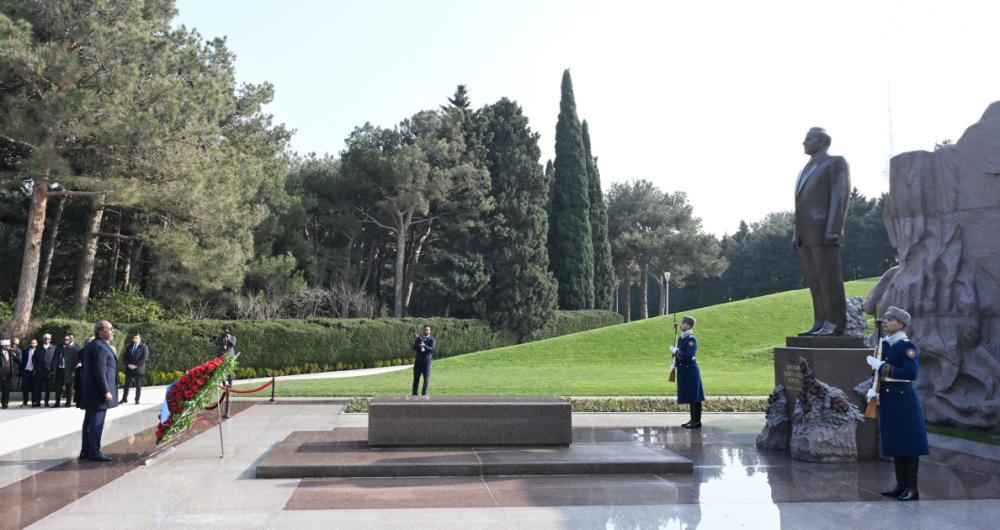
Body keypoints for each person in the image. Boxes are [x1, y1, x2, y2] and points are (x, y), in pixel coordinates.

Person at [865, 306, 928, 502]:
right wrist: (874, 389)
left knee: (909, 443)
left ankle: (912, 488)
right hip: (889, 398)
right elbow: (879, 374)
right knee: (896, 442)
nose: (885, 322)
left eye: (890, 320)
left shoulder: (906, 346)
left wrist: (882, 367)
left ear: (900, 324)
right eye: (885, 319)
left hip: (903, 399)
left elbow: (910, 373)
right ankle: (901, 485)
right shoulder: (886, 344)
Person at [792, 127, 850, 336]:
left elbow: (840, 196)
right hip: (805, 234)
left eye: (809, 138)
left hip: (824, 231)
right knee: (815, 281)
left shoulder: (835, 162)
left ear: (823, 141)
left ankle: (835, 323)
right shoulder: (805, 170)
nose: (804, 142)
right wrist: (796, 233)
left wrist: (834, 229)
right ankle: (820, 321)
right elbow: (800, 205)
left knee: (829, 280)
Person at [79, 320, 118, 462]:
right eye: (110, 328)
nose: (112, 331)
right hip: (98, 393)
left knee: (89, 422)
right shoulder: (100, 347)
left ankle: (86, 450)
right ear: (101, 331)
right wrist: (106, 391)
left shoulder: (94, 345)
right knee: (96, 423)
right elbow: (100, 372)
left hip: (92, 392)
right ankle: (94, 451)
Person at [671, 316, 705, 428]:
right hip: (684, 370)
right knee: (691, 395)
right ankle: (692, 420)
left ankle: (697, 421)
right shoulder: (682, 338)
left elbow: (689, 354)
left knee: (695, 396)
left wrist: (678, 352)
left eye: (683, 323)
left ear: (689, 325)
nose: (681, 325)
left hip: (690, 370)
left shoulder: (691, 339)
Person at [53, 334, 80, 407]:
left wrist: (74, 371)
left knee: (68, 388)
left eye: (67, 339)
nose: (66, 341)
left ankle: (68, 403)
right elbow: (55, 359)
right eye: (64, 339)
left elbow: (75, 361)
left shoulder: (73, 349)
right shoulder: (58, 348)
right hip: (60, 370)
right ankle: (57, 403)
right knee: (58, 388)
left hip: (69, 371)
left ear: (70, 340)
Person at [121, 334, 148, 405]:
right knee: (126, 385)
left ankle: (137, 399)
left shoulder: (144, 347)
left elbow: (144, 358)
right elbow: (125, 357)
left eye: (136, 338)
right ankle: (124, 398)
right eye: (134, 338)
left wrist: (136, 365)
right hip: (129, 368)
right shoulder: (129, 346)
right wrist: (128, 364)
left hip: (138, 369)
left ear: (140, 339)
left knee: (138, 386)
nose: (135, 339)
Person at [411, 325, 436, 398]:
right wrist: (419, 345)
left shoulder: (432, 339)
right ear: (423, 330)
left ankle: (424, 394)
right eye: (425, 329)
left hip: (426, 362)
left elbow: (432, 349)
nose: (426, 331)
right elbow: (413, 347)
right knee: (416, 379)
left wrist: (424, 345)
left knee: (426, 379)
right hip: (418, 362)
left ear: (430, 331)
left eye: (428, 330)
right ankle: (414, 394)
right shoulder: (419, 338)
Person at [38, 333, 57, 406]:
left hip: (49, 372)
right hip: (40, 371)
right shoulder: (38, 348)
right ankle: (38, 402)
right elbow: (34, 359)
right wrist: (37, 367)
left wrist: (53, 369)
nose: (46, 340)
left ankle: (46, 402)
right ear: (43, 339)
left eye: (48, 339)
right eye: (45, 339)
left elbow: (56, 359)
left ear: (50, 339)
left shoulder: (54, 348)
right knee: (39, 387)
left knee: (48, 388)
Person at [1, 339, 19, 409]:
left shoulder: (10, 353)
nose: (9, 346)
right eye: (8, 345)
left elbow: (19, 361)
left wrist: (15, 356)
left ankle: (5, 403)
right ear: (3, 346)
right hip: (1, 374)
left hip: (8, 375)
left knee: (6, 390)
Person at [23, 338, 40, 407]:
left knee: (34, 388)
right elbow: (23, 360)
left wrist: (36, 369)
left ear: (37, 344)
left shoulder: (39, 351)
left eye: (34, 343)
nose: (33, 344)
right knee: (25, 388)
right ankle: (25, 402)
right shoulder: (25, 351)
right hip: (26, 371)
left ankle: (34, 402)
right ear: (30, 344)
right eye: (32, 343)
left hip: (34, 371)